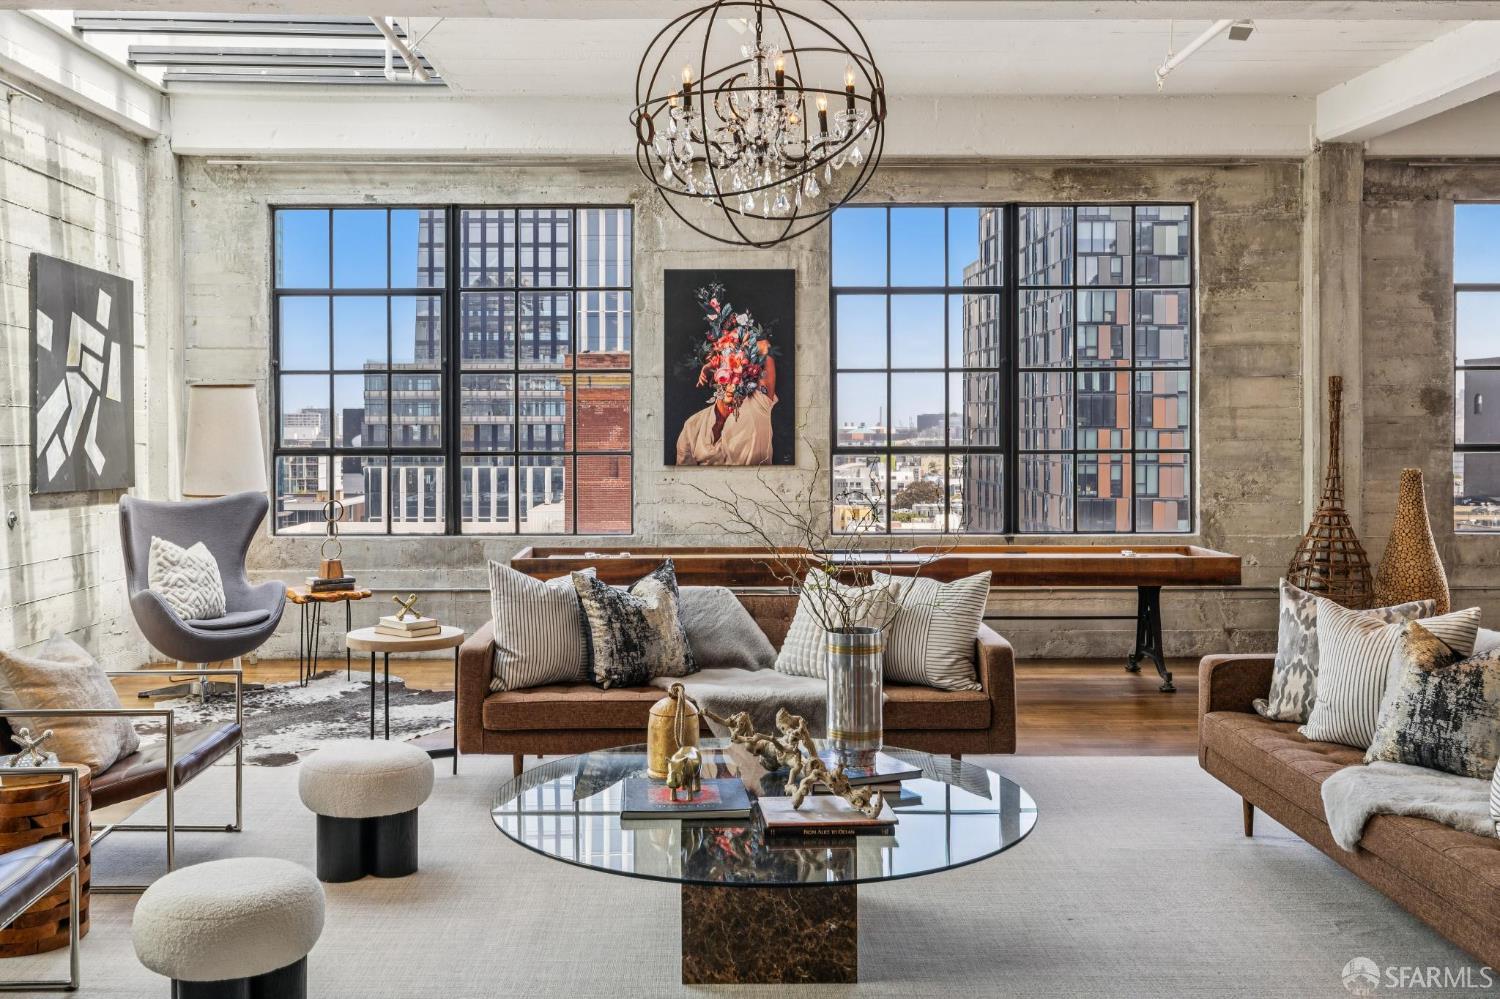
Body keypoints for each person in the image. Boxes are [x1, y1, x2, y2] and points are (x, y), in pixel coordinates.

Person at [675, 348, 777, 466]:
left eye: (740, 375)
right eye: (728, 374)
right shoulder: (693, 425)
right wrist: (716, 364)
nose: (735, 382)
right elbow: (684, 477)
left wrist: (713, 364)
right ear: (714, 380)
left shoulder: (759, 404)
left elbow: (765, 350)